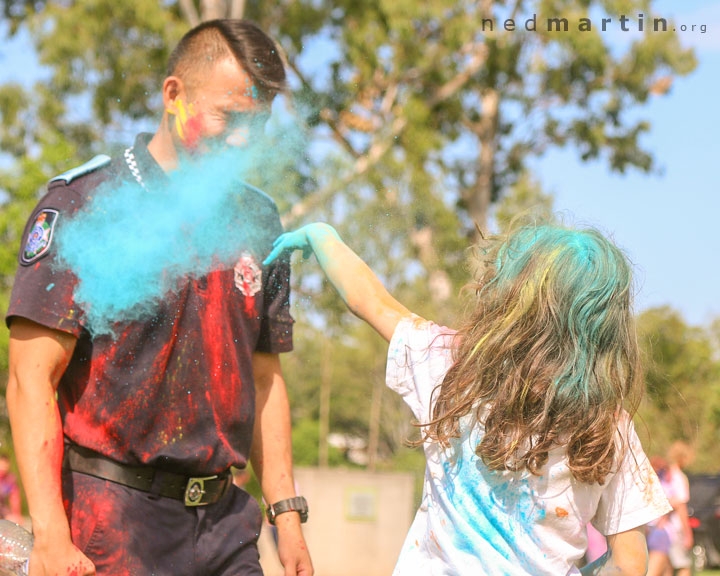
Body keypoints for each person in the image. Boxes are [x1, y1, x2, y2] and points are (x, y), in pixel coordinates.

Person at [6, 20, 312, 576]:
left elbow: (265, 379)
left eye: (260, 123)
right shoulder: (82, 206)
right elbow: (31, 380)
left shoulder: (261, 221)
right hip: (110, 522)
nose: (244, 139)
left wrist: (285, 517)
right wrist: (49, 533)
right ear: (174, 95)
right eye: (230, 117)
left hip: (227, 527)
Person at [264, 222, 672, 575]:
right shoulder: (609, 424)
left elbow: (367, 300)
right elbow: (630, 564)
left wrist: (321, 236)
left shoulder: (453, 366)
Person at [664, 441, 695, 576]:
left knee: (667, 566)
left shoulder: (665, 475)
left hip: (663, 529)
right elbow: (681, 506)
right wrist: (688, 534)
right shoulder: (679, 477)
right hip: (676, 529)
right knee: (684, 566)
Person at [0, 455, 22, 526]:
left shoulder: (10, 479)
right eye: (1, 465)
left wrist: (17, 515)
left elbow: (15, 499)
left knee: (14, 521)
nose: (3, 468)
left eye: (5, 465)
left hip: (2, 508)